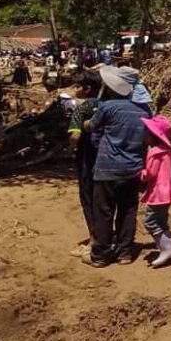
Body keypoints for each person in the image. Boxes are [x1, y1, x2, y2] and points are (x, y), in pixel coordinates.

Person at [82, 66, 152, 267]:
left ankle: (100, 255)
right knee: (128, 211)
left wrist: (84, 123)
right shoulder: (145, 111)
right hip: (133, 168)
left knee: (103, 211)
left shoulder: (108, 107)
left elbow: (91, 126)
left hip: (107, 168)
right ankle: (125, 253)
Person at [67, 70, 102, 255]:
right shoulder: (105, 105)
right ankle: (108, 235)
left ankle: (94, 239)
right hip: (106, 158)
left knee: (88, 198)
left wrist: (70, 147)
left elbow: (75, 135)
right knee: (103, 198)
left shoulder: (81, 109)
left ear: (87, 89)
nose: (74, 89)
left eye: (77, 86)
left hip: (87, 159)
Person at [140, 115, 171, 268]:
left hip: (157, 192)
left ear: (154, 135)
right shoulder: (168, 151)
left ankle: (167, 248)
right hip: (168, 191)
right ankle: (170, 247)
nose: (145, 134)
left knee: (150, 222)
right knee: (162, 221)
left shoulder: (154, 152)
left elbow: (150, 173)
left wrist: (141, 173)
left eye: (147, 132)